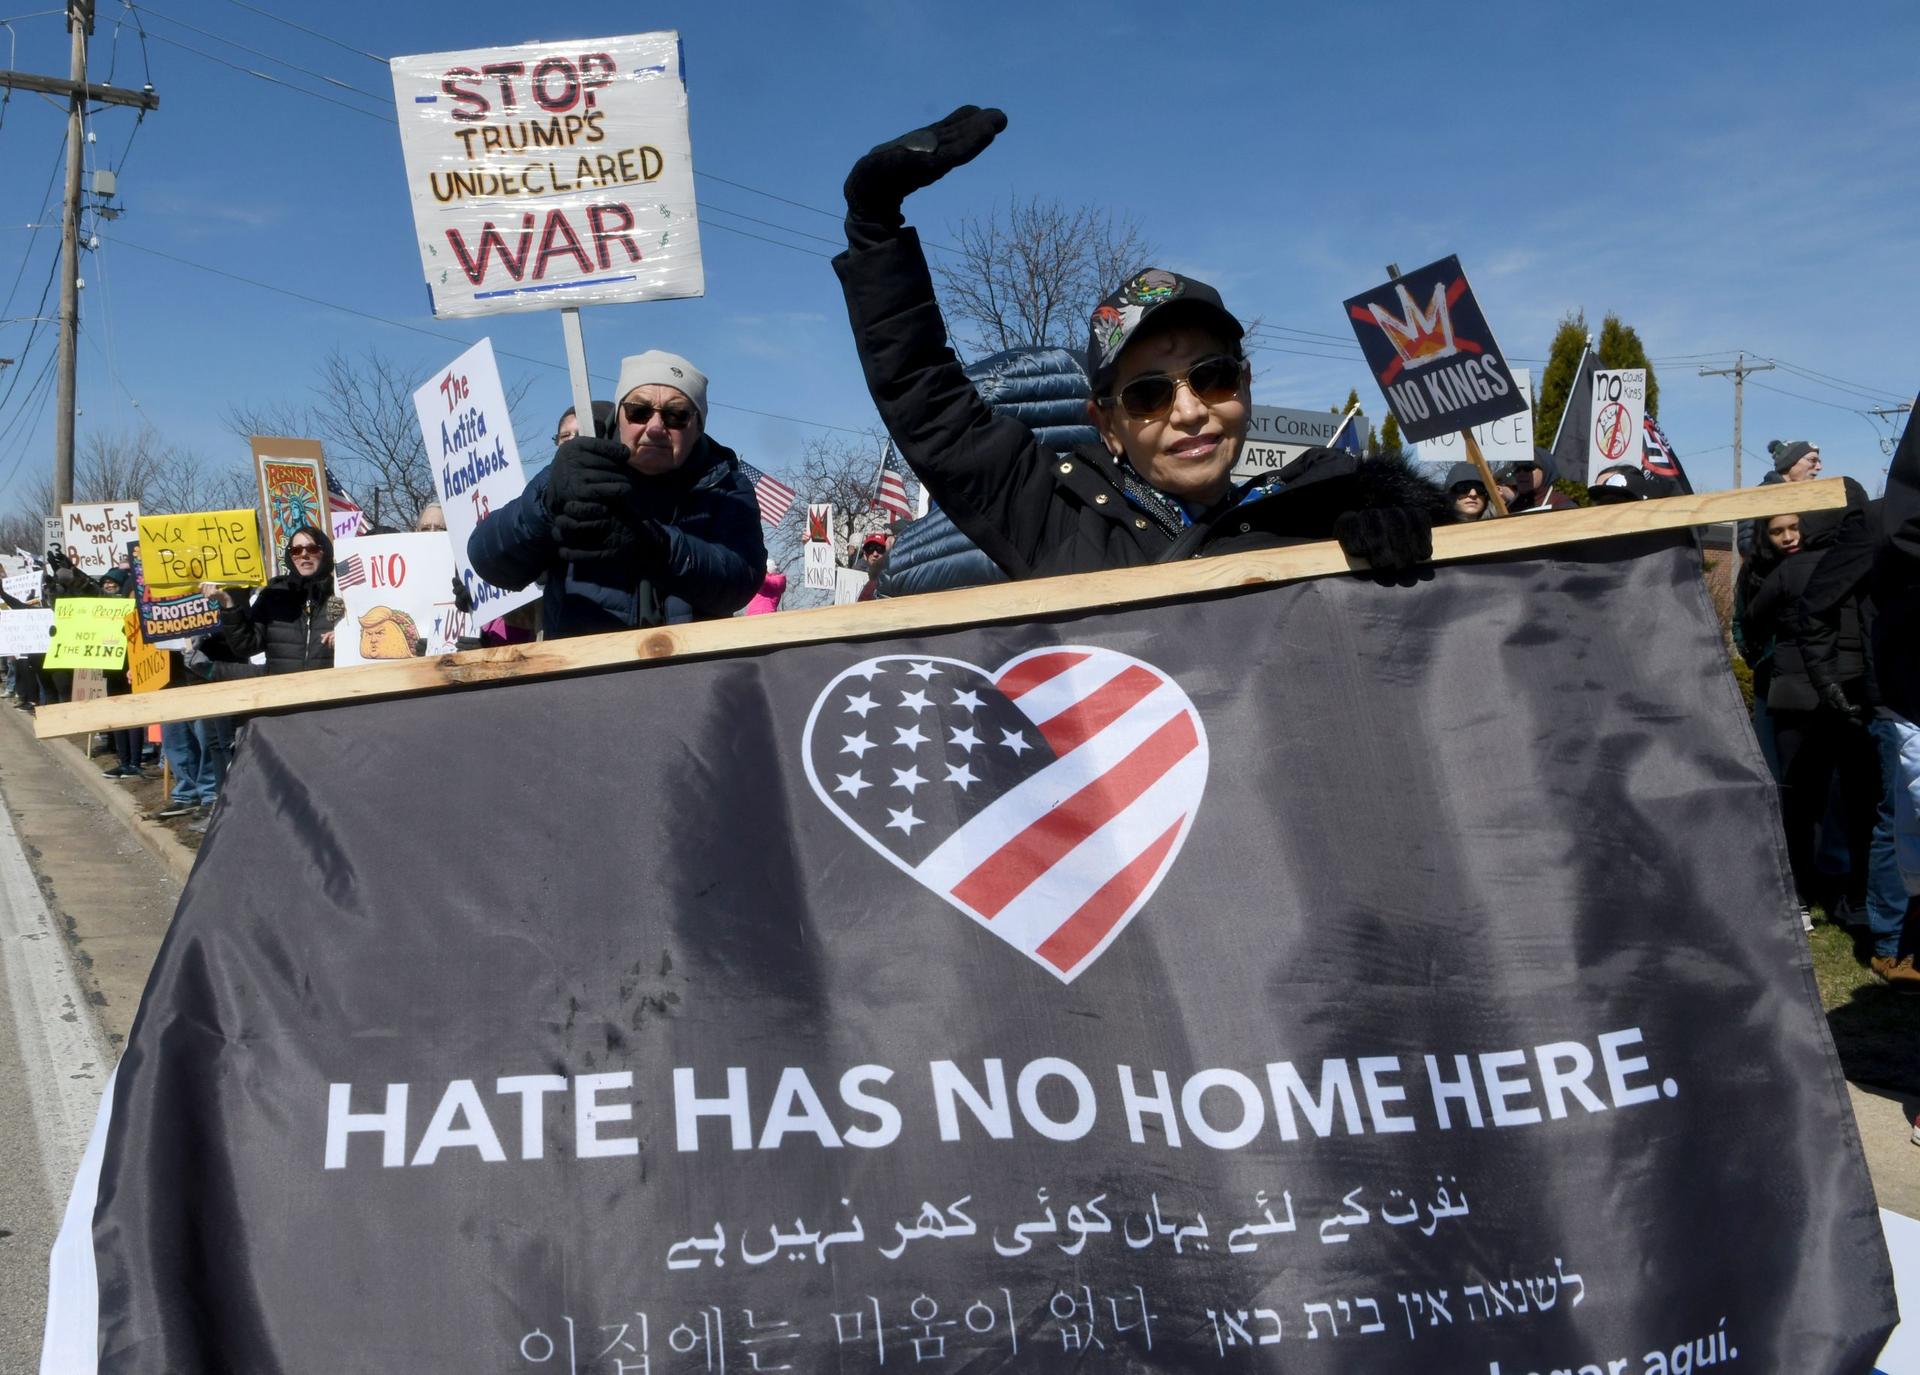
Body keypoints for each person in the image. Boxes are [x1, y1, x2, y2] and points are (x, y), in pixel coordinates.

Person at [833, 106, 1446, 581]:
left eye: (1212, 377)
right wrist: (874, 227)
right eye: (1149, 394)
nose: (1189, 410)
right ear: (1105, 424)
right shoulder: (1052, 517)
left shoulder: (1320, 510)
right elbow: (930, 407)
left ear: (1246, 384)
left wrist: (1409, 513)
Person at [468, 353, 765, 636]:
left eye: (676, 415)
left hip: (690, 673)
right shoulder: (579, 472)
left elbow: (740, 581)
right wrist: (546, 504)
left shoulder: (725, 485)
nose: (655, 427)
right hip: (586, 672)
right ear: (619, 416)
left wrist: (657, 547)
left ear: (698, 426)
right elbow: (490, 560)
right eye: (639, 411)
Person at [1740, 510, 1880, 925]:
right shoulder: (1859, 562)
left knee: (1799, 800)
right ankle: (1851, 896)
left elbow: (1753, 619)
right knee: (1854, 798)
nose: (1788, 536)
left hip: (1794, 696)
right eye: (1779, 530)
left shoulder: (1785, 573)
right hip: (1850, 691)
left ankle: (1799, 896)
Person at [209, 526, 338, 674]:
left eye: (312, 549)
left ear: (325, 552)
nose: (304, 555)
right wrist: (227, 604)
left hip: (332, 690)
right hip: (284, 692)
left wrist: (346, 639)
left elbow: (364, 642)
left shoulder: (343, 593)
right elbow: (245, 646)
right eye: (296, 551)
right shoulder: (273, 595)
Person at [1499, 449, 1578, 513]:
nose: (1521, 474)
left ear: (1545, 470)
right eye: (1517, 469)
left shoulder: (1562, 505)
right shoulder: (1510, 508)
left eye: (1528, 468)